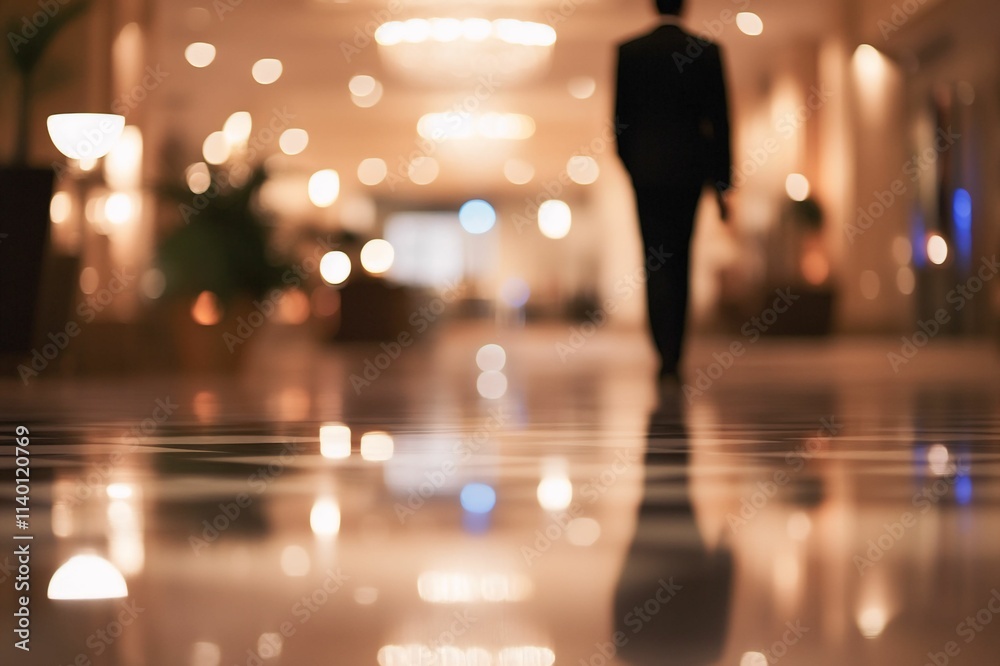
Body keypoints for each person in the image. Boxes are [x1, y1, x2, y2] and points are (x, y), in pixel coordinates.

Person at [615, 0, 733, 380]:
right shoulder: (708, 53)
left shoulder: (630, 53)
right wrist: (721, 182)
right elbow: (721, 122)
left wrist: (633, 168)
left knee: (653, 259)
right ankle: (674, 351)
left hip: (647, 175)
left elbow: (620, 122)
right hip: (688, 173)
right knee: (681, 257)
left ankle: (661, 346)